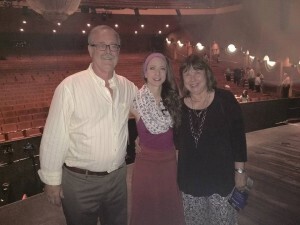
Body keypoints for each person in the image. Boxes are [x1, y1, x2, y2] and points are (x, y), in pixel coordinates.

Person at [38, 25, 138, 225]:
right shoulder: (70, 87)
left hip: (118, 178)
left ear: (119, 51)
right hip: (80, 182)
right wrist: (52, 181)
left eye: (113, 46)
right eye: (102, 46)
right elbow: (54, 137)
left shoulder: (127, 87)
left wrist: (144, 136)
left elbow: (148, 110)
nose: (108, 51)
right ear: (90, 50)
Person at [176, 54, 247, 225]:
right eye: (187, 74)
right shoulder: (179, 107)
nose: (192, 78)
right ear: (183, 79)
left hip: (221, 182)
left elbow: (238, 139)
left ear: (207, 74)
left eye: (197, 72)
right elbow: (174, 142)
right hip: (190, 182)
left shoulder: (225, 100)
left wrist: (240, 172)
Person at [130, 53, 185, 225]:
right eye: (152, 68)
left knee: (168, 210)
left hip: (168, 162)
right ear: (145, 72)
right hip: (146, 163)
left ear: (167, 73)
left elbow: (178, 132)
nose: (157, 73)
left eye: (162, 68)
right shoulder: (135, 101)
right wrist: (136, 138)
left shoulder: (174, 99)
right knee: (145, 211)